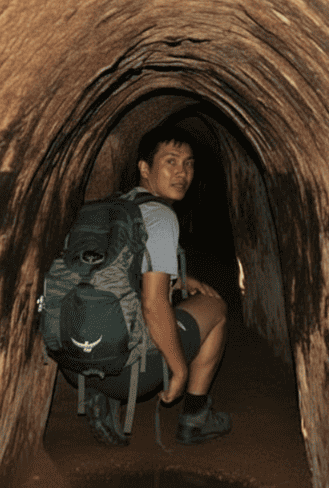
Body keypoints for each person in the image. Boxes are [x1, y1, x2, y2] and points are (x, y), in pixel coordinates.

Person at [80, 125, 232, 446]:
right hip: (121, 371)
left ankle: (102, 387)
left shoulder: (117, 207)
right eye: (171, 161)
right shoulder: (161, 218)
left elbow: (115, 273)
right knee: (216, 308)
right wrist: (178, 370)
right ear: (145, 168)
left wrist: (180, 279)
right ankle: (196, 415)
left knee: (185, 296)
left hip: (79, 357)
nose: (182, 173)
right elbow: (153, 304)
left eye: (189, 163)